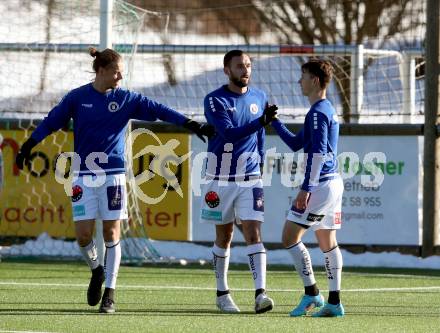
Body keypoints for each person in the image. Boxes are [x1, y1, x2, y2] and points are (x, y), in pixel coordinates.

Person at [15, 47, 215, 314]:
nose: (121, 76)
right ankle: (97, 270)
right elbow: (51, 121)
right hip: (84, 176)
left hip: (113, 176)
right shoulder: (77, 98)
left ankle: (110, 292)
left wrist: (192, 124)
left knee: (111, 232)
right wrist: (28, 144)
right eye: (116, 71)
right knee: (83, 235)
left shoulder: (126, 99)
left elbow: (160, 110)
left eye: (122, 71)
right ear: (101, 71)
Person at [200, 49, 277, 314]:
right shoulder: (214, 100)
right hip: (220, 177)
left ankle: (260, 295)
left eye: (248, 65)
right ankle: (222, 293)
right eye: (239, 66)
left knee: (253, 232)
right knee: (225, 236)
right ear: (227, 70)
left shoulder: (259, 97)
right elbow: (229, 134)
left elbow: (260, 137)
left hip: (250, 178)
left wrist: (261, 160)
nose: (245, 70)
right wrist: (260, 121)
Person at [272, 59, 344, 317]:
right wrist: (275, 122)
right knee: (327, 241)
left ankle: (312, 293)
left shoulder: (317, 112)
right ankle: (334, 303)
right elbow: (295, 143)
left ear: (314, 80)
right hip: (333, 184)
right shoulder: (324, 109)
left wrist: (306, 189)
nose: (298, 81)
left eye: (302, 76)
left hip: (322, 185)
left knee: (289, 238)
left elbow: (318, 155)